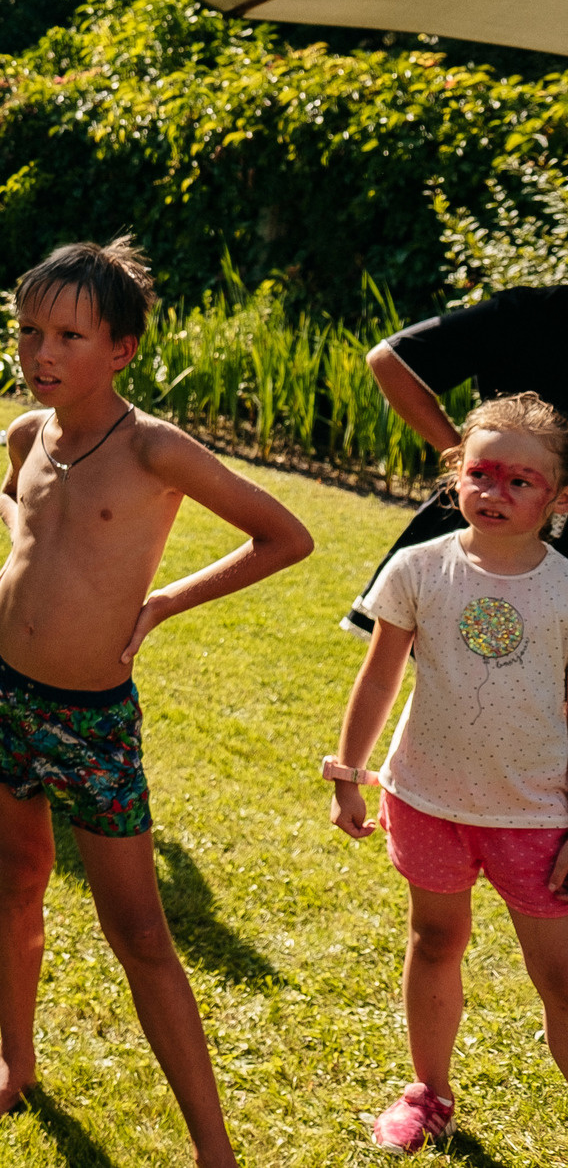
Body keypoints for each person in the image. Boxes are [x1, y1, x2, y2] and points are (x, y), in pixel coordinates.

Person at [0, 239, 312, 1166]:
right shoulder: (28, 435)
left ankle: (214, 1152)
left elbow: (285, 535)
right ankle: (13, 1063)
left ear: (122, 348)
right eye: (30, 330)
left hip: (91, 718)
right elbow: (16, 508)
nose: (42, 352)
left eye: (69, 333)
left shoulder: (155, 447)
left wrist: (160, 601)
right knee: (18, 873)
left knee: (141, 929)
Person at [325, 392, 568, 1153]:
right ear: (454, 474)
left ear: (559, 498)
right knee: (435, 940)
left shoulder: (567, 587)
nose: (495, 491)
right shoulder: (418, 568)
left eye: (520, 480)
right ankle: (429, 1093)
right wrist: (348, 769)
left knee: (559, 976)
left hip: (537, 814)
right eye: (481, 472)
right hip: (427, 800)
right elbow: (378, 679)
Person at [348, 284, 568, 635]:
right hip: (494, 534)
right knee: (454, 666)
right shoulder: (529, 313)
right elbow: (390, 361)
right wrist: (464, 460)